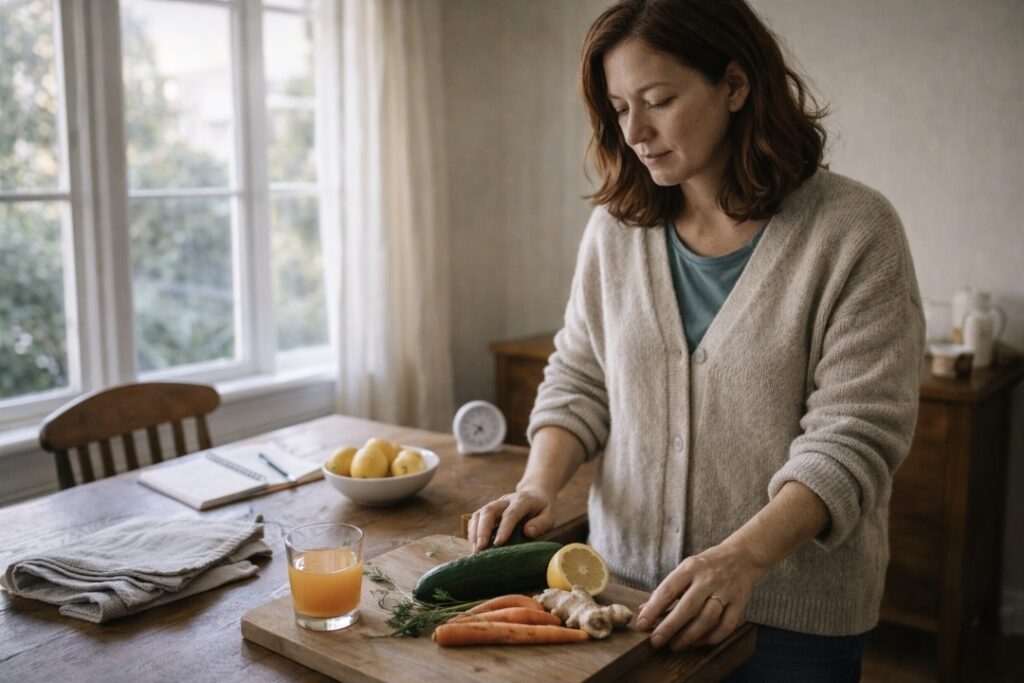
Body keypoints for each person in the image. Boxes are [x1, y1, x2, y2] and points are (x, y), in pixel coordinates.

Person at [467, 0, 924, 680]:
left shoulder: (855, 232)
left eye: (658, 100)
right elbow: (581, 376)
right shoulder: (615, 234)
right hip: (622, 599)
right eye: (620, 108)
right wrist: (540, 484)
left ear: (736, 86)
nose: (636, 131)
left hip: (788, 616)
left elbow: (853, 436)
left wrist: (743, 557)